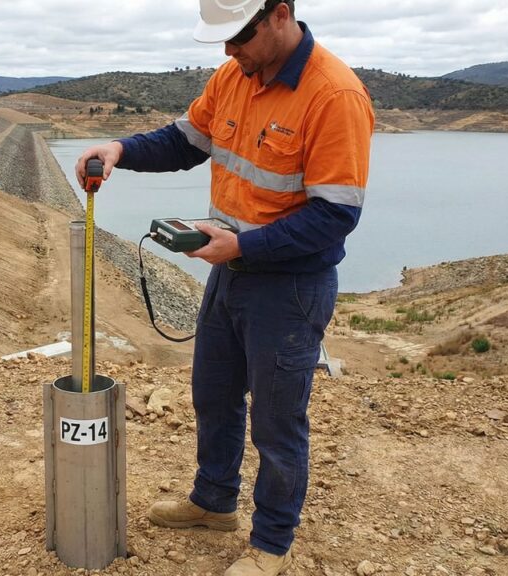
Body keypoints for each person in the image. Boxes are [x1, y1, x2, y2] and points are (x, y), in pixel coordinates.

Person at [75, 1, 373, 575]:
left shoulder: (335, 95)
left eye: (239, 36)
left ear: (280, 13)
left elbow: (335, 215)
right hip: (228, 275)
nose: (229, 51)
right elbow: (185, 142)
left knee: (277, 423)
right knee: (213, 396)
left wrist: (243, 245)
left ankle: (272, 543)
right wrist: (120, 150)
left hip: (289, 287)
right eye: (222, 41)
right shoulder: (233, 75)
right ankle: (214, 503)